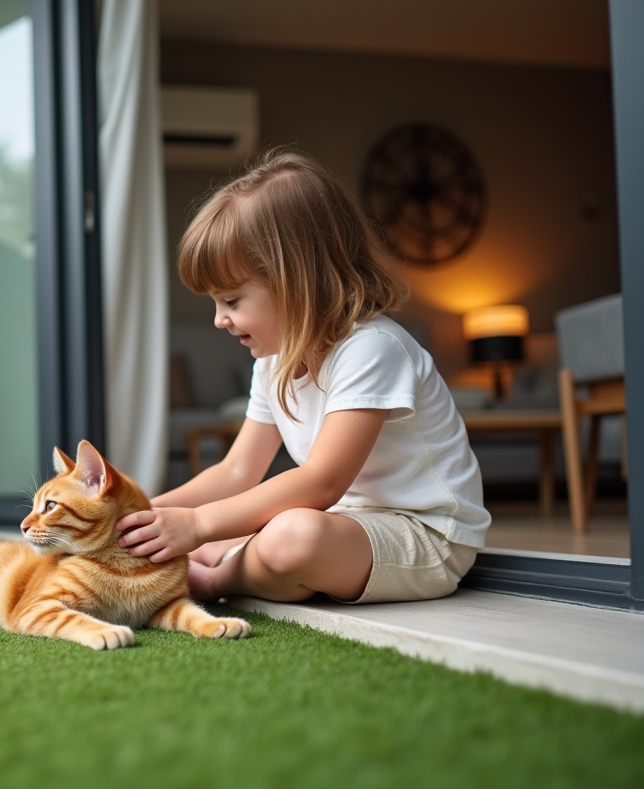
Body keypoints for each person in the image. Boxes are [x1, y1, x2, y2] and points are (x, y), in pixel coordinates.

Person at [117, 149, 490, 604]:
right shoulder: (272, 362)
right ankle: (229, 555)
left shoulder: (371, 348)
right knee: (258, 526)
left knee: (292, 535)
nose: (220, 319)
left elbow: (321, 482)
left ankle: (215, 580)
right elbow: (237, 471)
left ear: (296, 281)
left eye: (231, 301)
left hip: (427, 537)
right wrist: (139, 517)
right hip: (348, 523)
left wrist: (196, 525)